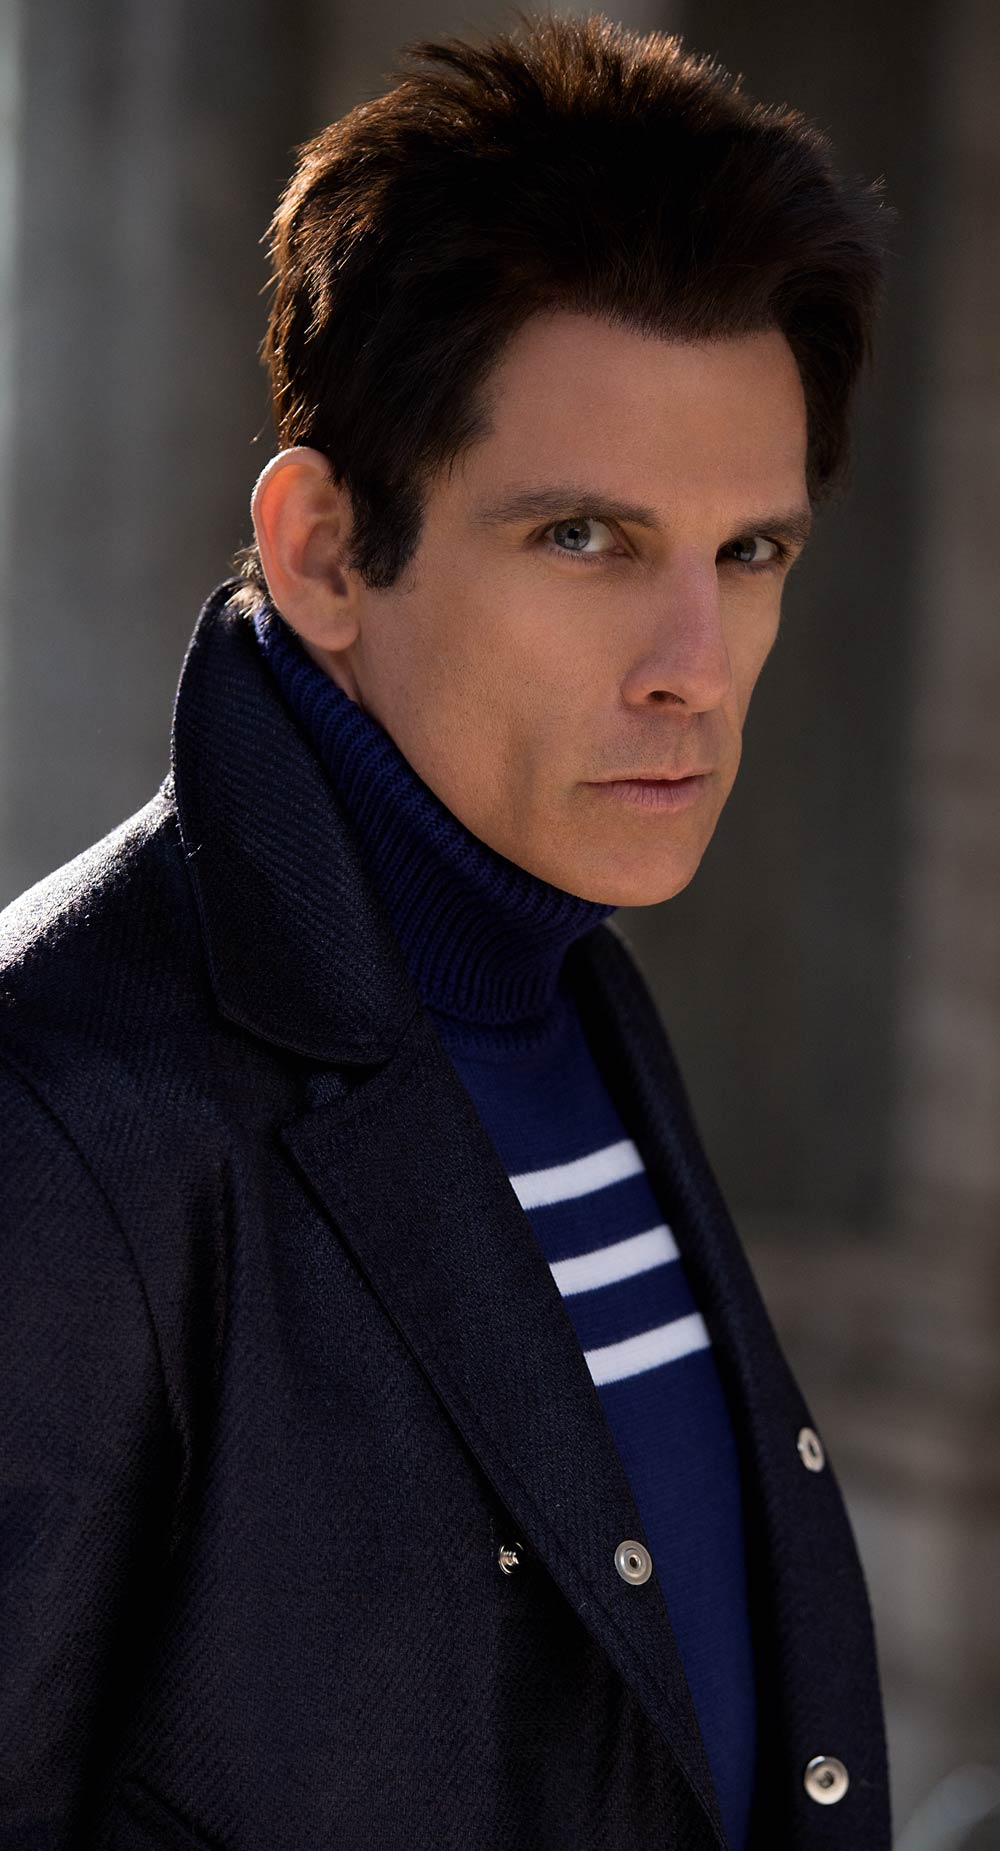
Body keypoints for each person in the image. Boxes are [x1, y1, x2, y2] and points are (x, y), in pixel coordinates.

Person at [0, 11, 897, 1848]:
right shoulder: (66, 1118)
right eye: (586, 539)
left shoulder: (576, 998)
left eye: (750, 554)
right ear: (326, 552)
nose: (696, 669)